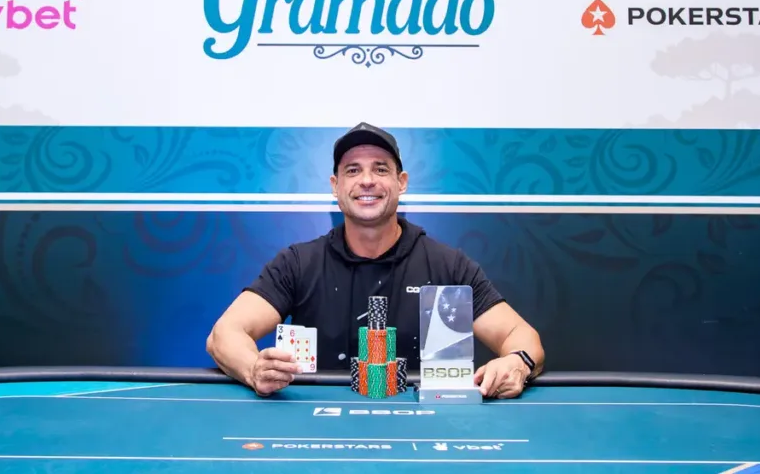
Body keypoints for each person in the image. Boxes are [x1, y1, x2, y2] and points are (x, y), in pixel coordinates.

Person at [206, 122, 545, 399]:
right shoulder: (298, 263)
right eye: (353, 170)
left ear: (401, 183)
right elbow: (224, 334)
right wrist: (253, 369)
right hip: (316, 429)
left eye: (380, 169)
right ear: (336, 186)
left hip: (423, 430)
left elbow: (521, 335)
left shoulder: (448, 266)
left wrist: (516, 362)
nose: (367, 180)